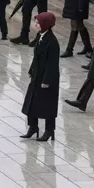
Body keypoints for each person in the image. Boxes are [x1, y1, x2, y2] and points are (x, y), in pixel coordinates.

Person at [20, 12, 60, 142]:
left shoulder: (52, 42)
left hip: (47, 78)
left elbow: (52, 64)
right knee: (32, 102)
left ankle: (49, 130)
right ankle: (33, 127)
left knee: (48, 105)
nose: (35, 25)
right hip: (37, 75)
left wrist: (47, 80)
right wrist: (32, 70)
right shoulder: (41, 36)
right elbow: (37, 56)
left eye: (38, 23)